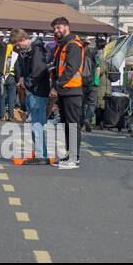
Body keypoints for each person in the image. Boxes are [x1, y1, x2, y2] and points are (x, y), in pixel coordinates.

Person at [49, 17, 85, 169]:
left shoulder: (73, 45)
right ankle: (69, 154)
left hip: (72, 90)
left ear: (66, 27)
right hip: (66, 90)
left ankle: (74, 158)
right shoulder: (62, 45)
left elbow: (71, 69)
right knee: (65, 124)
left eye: (58, 28)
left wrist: (56, 86)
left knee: (72, 125)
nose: (56, 32)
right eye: (55, 29)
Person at [12, 29, 52, 165]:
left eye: (18, 45)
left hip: (37, 90)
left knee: (37, 124)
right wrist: (23, 77)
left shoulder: (35, 49)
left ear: (23, 39)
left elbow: (38, 69)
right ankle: (41, 153)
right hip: (34, 90)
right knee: (36, 123)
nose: (17, 48)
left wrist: (28, 83)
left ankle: (41, 155)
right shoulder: (29, 50)